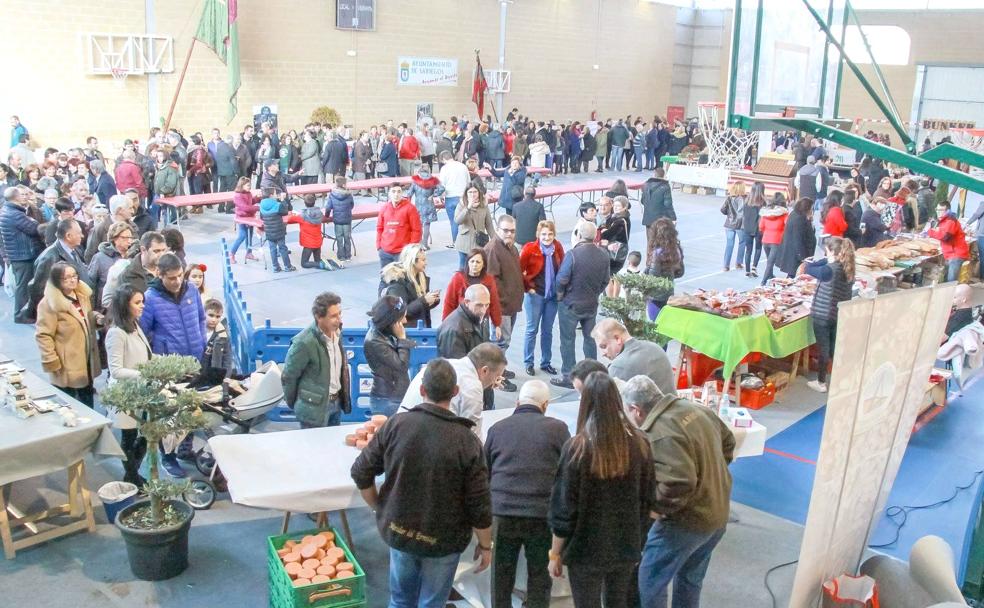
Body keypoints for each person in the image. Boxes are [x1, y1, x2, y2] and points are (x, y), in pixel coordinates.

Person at [350, 358, 493, 608]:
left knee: (400, 599)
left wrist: (378, 506)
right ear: (455, 392)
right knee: (432, 602)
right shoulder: (467, 442)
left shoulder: (396, 425)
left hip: (399, 530)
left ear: (422, 390)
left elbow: (361, 471)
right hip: (444, 541)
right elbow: (479, 502)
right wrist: (485, 544)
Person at [622, 375, 735, 607]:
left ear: (636, 410)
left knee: (651, 580)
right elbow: (728, 442)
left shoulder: (660, 433)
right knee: (690, 579)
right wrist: (710, 477)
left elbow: (678, 483)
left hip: (686, 522)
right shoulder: (695, 409)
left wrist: (654, 511)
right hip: (718, 512)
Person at [548, 372, 654, 608]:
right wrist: (638, 540)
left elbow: (564, 509)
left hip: (585, 550)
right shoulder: (640, 444)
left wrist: (555, 554)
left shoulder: (577, 448)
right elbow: (648, 500)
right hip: (626, 546)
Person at [485, 380, 571, 608]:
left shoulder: (497, 428)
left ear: (517, 402)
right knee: (540, 578)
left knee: (501, 576)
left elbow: (486, 472)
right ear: (545, 405)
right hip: (542, 515)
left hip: (503, 513)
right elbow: (567, 473)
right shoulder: (558, 429)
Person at [553, 221, 611, 389]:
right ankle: (593, 374)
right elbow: (606, 280)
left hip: (570, 304)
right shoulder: (603, 255)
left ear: (578, 235)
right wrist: (595, 293)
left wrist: (560, 296)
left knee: (567, 340)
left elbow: (561, 279)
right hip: (591, 304)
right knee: (590, 339)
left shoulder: (572, 255)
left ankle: (568, 375)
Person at [35, 262, 102, 407]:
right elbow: (43, 335)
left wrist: (97, 318)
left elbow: (86, 317)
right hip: (66, 364)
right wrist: (51, 360)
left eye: (74, 276)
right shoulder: (48, 304)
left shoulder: (82, 296)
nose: (72, 280)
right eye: (66, 278)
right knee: (69, 405)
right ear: (56, 281)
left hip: (86, 359)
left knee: (87, 402)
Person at [281, 292, 351, 428]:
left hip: (336, 403)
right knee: (314, 448)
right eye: (333, 316)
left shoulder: (337, 333)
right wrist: (298, 403)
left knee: (332, 446)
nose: (339, 319)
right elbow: (288, 376)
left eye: (340, 314)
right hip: (314, 409)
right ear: (319, 317)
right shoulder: (303, 342)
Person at [401, 343, 508, 431]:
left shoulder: (446, 366)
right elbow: (473, 436)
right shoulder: (472, 386)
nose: (495, 381)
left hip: (404, 428)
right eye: (497, 376)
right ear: (485, 370)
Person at [105, 285, 152, 486]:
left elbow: (144, 356)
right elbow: (116, 369)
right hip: (125, 394)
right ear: (125, 305)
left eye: (142, 301)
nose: (142, 306)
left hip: (140, 391)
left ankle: (131, 476)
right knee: (129, 437)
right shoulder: (117, 333)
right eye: (137, 302)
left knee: (143, 436)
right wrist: (146, 374)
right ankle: (132, 477)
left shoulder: (135, 326)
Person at [800, 237, 855, 393]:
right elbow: (823, 263)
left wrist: (809, 262)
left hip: (823, 314)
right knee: (833, 348)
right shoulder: (846, 266)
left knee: (823, 349)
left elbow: (809, 269)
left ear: (831, 251)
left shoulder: (828, 270)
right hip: (837, 313)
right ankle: (840, 377)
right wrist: (828, 258)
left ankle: (821, 381)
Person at [520, 220, 565, 377]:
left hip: (552, 296)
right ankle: (528, 362)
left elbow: (563, 268)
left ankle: (546, 362)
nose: (547, 237)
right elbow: (520, 271)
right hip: (535, 295)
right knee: (532, 329)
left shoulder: (557, 247)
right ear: (538, 234)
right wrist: (528, 288)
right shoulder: (529, 248)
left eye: (550, 234)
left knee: (548, 331)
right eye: (544, 234)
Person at [140, 253, 206, 359]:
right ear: (160, 275)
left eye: (180, 275)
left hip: (197, 358)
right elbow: (143, 332)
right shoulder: (150, 298)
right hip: (170, 365)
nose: (178, 281)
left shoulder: (192, 289)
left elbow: (201, 319)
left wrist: (202, 341)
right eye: (172, 278)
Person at [27, 219, 93, 323]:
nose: (82, 236)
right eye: (79, 233)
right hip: (63, 316)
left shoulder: (75, 249)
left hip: (78, 310)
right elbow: (39, 291)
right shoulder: (50, 257)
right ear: (68, 236)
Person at [485, 215, 524, 385]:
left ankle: (500, 368)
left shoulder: (512, 248)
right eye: (506, 230)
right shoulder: (493, 248)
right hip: (501, 307)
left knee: (504, 342)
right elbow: (491, 281)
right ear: (498, 230)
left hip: (512, 305)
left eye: (512, 231)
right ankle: (495, 376)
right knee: (499, 343)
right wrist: (497, 311)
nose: (509, 234)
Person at [593, 318, 675, 395]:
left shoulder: (618, 366)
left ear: (617, 338)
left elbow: (608, 404)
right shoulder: (655, 347)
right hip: (674, 407)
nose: (602, 354)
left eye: (604, 346)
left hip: (652, 409)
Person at [364, 295, 416, 417]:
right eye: (402, 318)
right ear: (391, 321)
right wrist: (402, 339)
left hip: (395, 396)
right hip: (387, 401)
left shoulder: (386, 333)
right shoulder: (376, 341)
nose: (405, 322)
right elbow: (401, 366)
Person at [1, 186, 45, 323]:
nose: (24, 196)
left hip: (21, 254)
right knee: (24, 287)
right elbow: (33, 228)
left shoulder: (9, 211)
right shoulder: (14, 214)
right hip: (23, 255)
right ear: (16, 197)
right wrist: (34, 222)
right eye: (22, 195)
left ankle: (26, 313)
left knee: (25, 285)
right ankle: (21, 314)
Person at [381, 244, 440, 328]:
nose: (426, 263)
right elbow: (399, 311)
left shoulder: (421, 276)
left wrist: (433, 300)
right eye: (423, 260)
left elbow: (421, 306)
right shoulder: (398, 281)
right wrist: (424, 300)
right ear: (413, 261)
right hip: (405, 330)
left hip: (420, 327)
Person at [644, 218, 685, 320]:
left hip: (655, 296)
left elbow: (652, 277)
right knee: (665, 322)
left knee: (655, 322)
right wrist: (668, 274)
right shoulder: (676, 249)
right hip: (669, 291)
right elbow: (680, 272)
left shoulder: (657, 253)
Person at [438, 283, 492, 360]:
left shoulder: (480, 318)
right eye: (479, 305)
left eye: (486, 305)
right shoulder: (453, 330)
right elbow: (456, 367)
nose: (483, 310)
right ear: (467, 302)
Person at [87, 221, 134, 309]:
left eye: (130, 238)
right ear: (114, 238)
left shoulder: (133, 258)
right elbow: (90, 285)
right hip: (106, 308)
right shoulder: (99, 258)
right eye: (125, 238)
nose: (129, 241)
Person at [376, 184, 422, 267]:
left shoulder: (410, 208)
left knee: (403, 279)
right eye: (393, 192)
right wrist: (379, 247)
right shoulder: (384, 208)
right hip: (385, 252)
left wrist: (410, 249)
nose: (396, 194)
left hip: (402, 253)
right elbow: (379, 228)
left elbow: (416, 230)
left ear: (402, 193)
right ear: (389, 193)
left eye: (399, 192)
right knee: (386, 279)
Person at [84, 194, 135, 263]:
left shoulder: (133, 226)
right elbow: (89, 256)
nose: (133, 211)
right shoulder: (100, 229)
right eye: (130, 208)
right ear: (119, 210)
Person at [454, 185, 496, 267]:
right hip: (464, 243)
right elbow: (457, 221)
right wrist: (468, 208)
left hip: (479, 242)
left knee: (479, 267)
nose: (473, 194)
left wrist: (495, 240)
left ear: (479, 193)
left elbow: (489, 224)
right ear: (466, 194)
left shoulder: (484, 205)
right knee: (463, 268)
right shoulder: (461, 205)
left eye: (475, 192)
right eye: (470, 192)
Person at [928, 201, 970, 283]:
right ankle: (947, 294)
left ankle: (951, 295)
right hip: (950, 253)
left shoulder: (950, 221)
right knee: (946, 279)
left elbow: (945, 236)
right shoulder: (945, 220)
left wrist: (930, 232)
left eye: (941, 210)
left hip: (956, 254)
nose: (938, 212)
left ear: (947, 210)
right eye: (937, 210)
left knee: (951, 282)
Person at [641, 168, 676, 266]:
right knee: (660, 240)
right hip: (660, 219)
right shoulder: (665, 186)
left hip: (648, 218)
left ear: (654, 174)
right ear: (664, 175)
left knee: (650, 241)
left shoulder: (646, 185)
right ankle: (658, 262)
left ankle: (649, 262)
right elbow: (668, 204)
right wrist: (673, 217)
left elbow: (642, 201)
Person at [776, 197, 817, 279]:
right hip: (796, 255)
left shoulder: (796, 215)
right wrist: (802, 257)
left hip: (794, 253)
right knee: (794, 276)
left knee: (793, 276)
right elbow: (798, 239)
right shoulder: (799, 219)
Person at [406, 166, 445, 250]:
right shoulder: (433, 180)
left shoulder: (415, 181)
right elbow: (442, 188)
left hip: (418, 206)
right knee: (427, 225)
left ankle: (419, 243)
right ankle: (425, 244)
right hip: (429, 204)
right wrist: (434, 195)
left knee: (418, 225)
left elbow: (409, 194)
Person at [600, 196, 632, 295]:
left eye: (619, 206)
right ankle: (614, 299)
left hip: (615, 252)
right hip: (616, 251)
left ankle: (610, 302)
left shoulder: (620, 221)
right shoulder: (617, 217)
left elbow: (606, 234)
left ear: (625, 207)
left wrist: (604, 231)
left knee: (608, 277)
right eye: (615, 205)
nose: (616, 207)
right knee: (614, 277)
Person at [259, 187, 295, 272]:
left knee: (272, 249)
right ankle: (287, 266)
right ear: (271, 195)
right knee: (283, 248)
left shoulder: (261, 205)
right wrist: (283, 200)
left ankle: (275, 267)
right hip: (279, 230)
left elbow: (261, 217)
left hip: (269, 231)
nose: (276, 195)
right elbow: (285, 212)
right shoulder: (277, 205)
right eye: (275, 194)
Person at [291, 194, 330, 270]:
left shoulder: (302, 216)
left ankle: (321, 264)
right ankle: (321, 263)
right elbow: (325, 218)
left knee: (304, 263)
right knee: (317, 260)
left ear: (305, 203)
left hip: (308, 244)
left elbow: (290, 218)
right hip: (318, 242)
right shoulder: (320, 214)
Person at [438, 150, 470, 243]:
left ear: (444, 159)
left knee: (454, 222)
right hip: (463, 196)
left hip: (450, 197)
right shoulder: (463, 166)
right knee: (466, 221)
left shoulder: (444, 169)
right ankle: (466, 240)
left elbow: (442, 185)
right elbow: (468, 182)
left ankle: (455, 241)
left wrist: (440, 196)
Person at [229, 176, 260, 263]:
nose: (249, 187)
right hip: (242, 218)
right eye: (248, 185)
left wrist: (257, 198)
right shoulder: (237, 196)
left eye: (250, 185)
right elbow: (245, 207)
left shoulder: (248, 193)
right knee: (242, 236)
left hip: (250, 217)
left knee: (249, 236)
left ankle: (249, 253)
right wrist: (257, 208)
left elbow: (250, 202)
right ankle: (231, 254)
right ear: (241, 186)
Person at [325, 176, 355, 262]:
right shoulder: (349, 194)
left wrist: (327, 216)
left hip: (337, 220)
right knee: (347, 237)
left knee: (339, 238)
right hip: (347, 219)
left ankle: (341, 256)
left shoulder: (332, 195)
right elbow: (352, 205)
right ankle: (348, 255)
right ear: (344, 184)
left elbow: (328, 208)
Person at [201, 298, 233, 379]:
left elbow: (227, 359)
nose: (214, 320)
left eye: (218, 316)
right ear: (203, 313)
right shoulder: (197, 331)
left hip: (214, 374)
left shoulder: (223, 335)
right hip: (198, 373)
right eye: (211, 315)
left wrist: (226, 378)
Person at [739, 183, 765, 278]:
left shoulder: (746, 201)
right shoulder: (763, 203)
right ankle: (754, 267)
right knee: (758, 248)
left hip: (747, 228)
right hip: (758, 229)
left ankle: (747, 270)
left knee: (748, 250)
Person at [721, 182, 745, 271]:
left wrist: (729, 215)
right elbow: (741, 213)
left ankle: (726, 265)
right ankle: (738, 263)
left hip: (729, 224)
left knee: (729, 244)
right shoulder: (742, 199)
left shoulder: (729, 198)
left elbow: (722, 209)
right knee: (742, 242)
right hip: (739, 225)